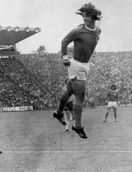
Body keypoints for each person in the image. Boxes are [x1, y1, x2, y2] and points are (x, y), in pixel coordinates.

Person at [53, 3, 102, 139]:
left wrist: (85, 13)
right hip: (76, 65)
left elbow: (92, 39)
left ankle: (58, 112)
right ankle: (77, 126)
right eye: (83, 16)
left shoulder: (98, 30)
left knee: (69, 91)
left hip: (85, 65)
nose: (84, 19)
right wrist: (64, 57)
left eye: (86, 17)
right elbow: (64, 42)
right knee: (80, 96)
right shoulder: (78, 31)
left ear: (93, 18)